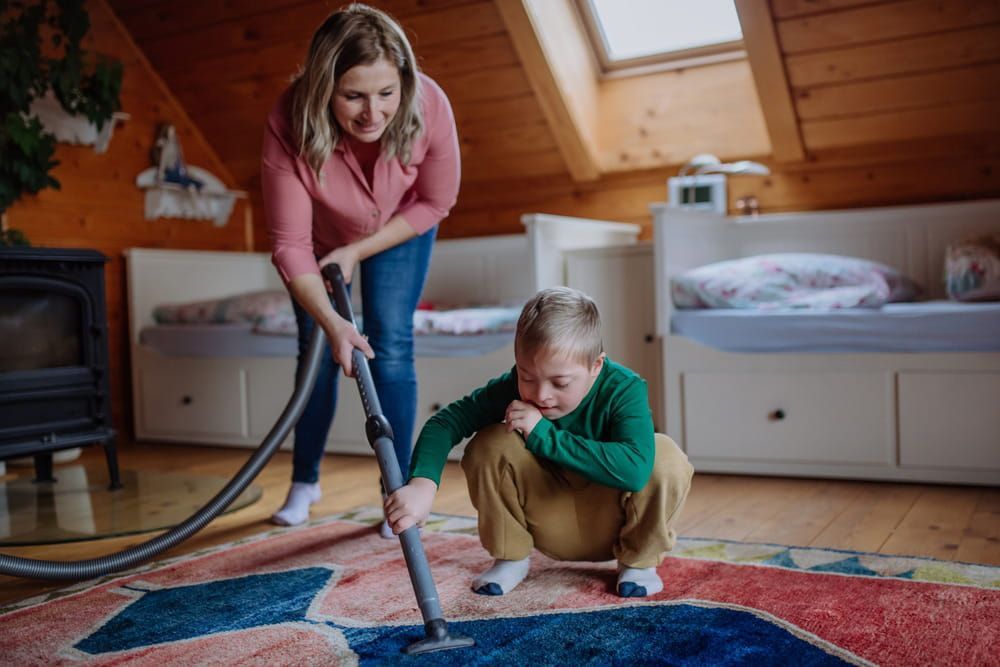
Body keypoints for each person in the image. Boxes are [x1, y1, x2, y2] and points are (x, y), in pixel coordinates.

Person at [261, 4, 461, 532]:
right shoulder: (289, 120)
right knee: (317, 355)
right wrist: (332, 322)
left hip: (399, 230)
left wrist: (359, 251)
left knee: (390, 343)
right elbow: (288, 243)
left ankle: (395, 493)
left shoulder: (430, 104)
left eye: (386, 94)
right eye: (354, 96)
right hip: (319, 248)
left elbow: (435, 202)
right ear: (325, 87)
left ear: (403, 83)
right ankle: (304, 482)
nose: (373, 113)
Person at [384, 287, 694, 597]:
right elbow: (445, 422)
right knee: (491, 441)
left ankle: (639, 564)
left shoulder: (624, 388)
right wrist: (422, 484)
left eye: (560, 382)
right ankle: (511, 558)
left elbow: (635, 471)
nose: (540, 394)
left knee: (664, 455)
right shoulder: (512, 389)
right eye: (527, 376)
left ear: (595, 366)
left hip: (614, 524)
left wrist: (542, 433)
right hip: (545, 520)